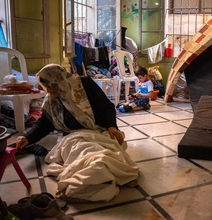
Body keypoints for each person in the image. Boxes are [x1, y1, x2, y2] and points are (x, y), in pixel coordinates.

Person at [15, 64, 139, 202]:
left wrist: (112, 127)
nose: (48, 90)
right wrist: (28, 137)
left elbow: (107, 107)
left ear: (59, 80)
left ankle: (110, 174)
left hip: (97, 131)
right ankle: (102, 177)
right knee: (90, 158)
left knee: (107, 154)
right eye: (46, 87)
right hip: (73, 138)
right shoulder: (52, 100)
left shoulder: (84, 84)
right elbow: (44, 123)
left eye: (50, 85)